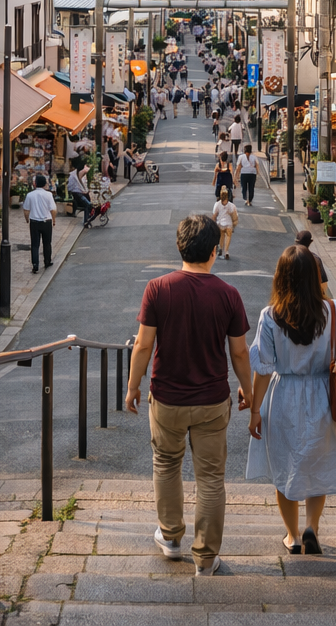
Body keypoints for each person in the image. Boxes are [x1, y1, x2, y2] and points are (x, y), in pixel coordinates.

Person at [125, 214, 252, 577]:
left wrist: (134, 386)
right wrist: (248, 389)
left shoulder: (158, 288)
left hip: (167, 398)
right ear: (214, 251)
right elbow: (240, 352)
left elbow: (143, 345)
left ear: (179, 246)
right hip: (212, 400)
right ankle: (207, 557)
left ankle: (171, 538)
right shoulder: (228, 294)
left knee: (166, 465)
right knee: (211, 478)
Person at [246, 245, 336, 554]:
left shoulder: (270, 316)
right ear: (314, 277)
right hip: (322, 395)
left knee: (285, 467)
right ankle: (312, 527)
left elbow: (264, 369)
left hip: (283, 397)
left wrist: (255, 409)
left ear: (281, 278)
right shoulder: (333, 310)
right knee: (317, 465)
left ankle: (292, 536)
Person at [22, 174, 56, 272]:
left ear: (35, 183)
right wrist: (54, 220)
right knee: (47, 243)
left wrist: (27, 219)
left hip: (34, 222)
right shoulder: (48, 195)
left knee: (35, 244)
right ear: (45, 184)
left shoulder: (30, 195)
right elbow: (53, 209)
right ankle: (47, 261)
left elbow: (26, 209)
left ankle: (35, 264)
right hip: (46, 221)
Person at [293, 230, 330, 295]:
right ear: (311, 241)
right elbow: (323, 283)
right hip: (311, 298)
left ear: (296, 241)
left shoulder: (288, 257)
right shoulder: (316, 259)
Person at [212, 187, 239, 260]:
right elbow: (235, 215)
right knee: (228, 237)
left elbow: (214, 215)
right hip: (229, 224)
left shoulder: (217, 204)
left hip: (220, 223)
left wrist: (213, 224)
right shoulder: (231, 205)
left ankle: (220, 248)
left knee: (222, 236)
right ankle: (226, 251)